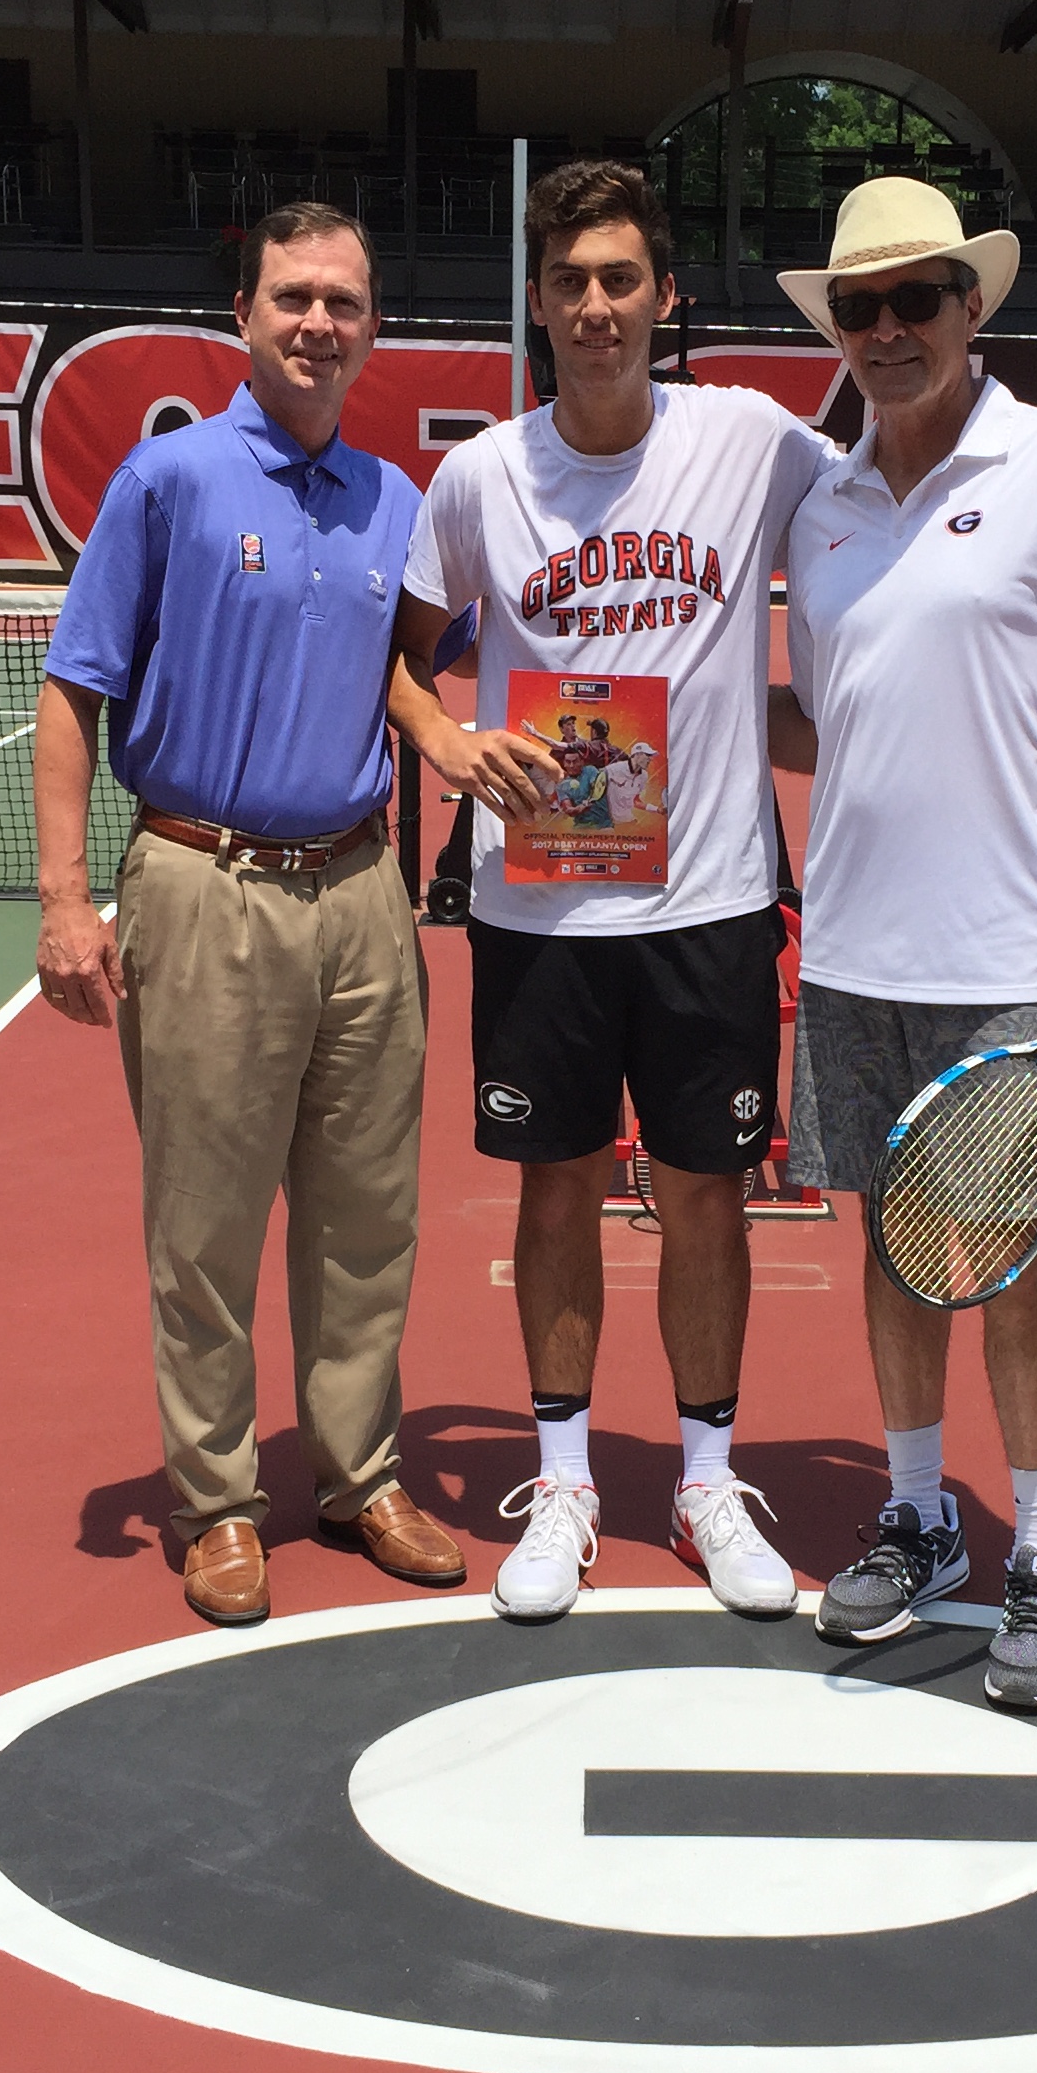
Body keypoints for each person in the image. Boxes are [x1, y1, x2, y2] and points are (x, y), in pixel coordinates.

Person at [33, 200, 546, 1628]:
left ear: (374, 326)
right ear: (245, 316)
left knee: (368, 1216)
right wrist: (67, 900)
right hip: (205, 890)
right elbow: (76, 688)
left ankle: (360, 1473)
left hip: (364, 890)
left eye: (345, 302)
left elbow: (404, 669)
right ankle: (212, 1504)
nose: (319, 323)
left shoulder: (398, 499)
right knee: (203, 1225)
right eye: (293, 298)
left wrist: (442, 739)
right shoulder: (169, 482)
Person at [386, 159, 829, 1627]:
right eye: (570, 281)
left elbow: (892, 493)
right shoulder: (479, 478)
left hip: (708, 905)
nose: (595, 306)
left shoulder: (752, 443)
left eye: (620, 280)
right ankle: (566, 1475)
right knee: (557, 1187)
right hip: (538, 912)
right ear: (536, 301)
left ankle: (706, 1477)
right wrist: (449, 736)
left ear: (663, 298)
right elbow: (393, 647)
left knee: (708, 1197)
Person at [768, 177, 1037, 1713]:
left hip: (1010, 962)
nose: (887, 330)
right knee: (890, 1238)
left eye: (914, 300)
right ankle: (924, 1518)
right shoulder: (824, 501)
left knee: (1009, 1262)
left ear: (970, 308)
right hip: (855, 950)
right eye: (858, 309)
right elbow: (829, 711)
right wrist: (673, 715)